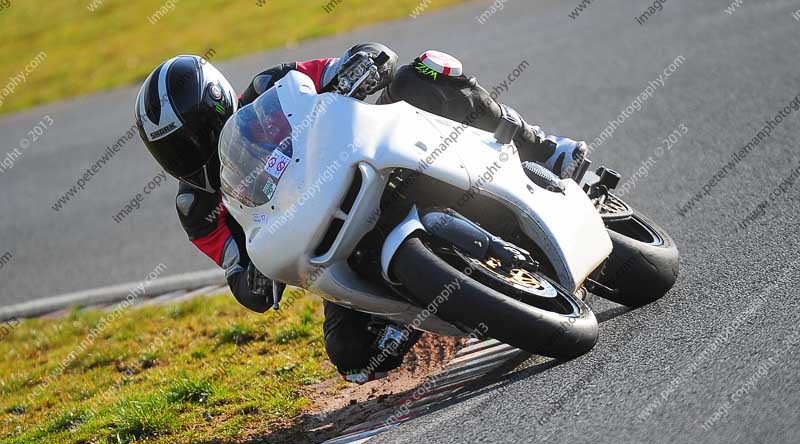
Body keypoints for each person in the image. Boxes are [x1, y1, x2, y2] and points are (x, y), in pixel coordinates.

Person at [134, 43, 587, 384]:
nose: (189, 155)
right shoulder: (197, 209)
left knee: (422, 72)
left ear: (218, 104)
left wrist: (362, 64)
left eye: (192, 137)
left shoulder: (270, 86)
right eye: (172, 151)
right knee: (353, 356)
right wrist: (251, 280)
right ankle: (411, 309)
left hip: (371, 163)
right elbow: (238, 269)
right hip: (326, 241)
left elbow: (352, 64)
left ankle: (542, 148)